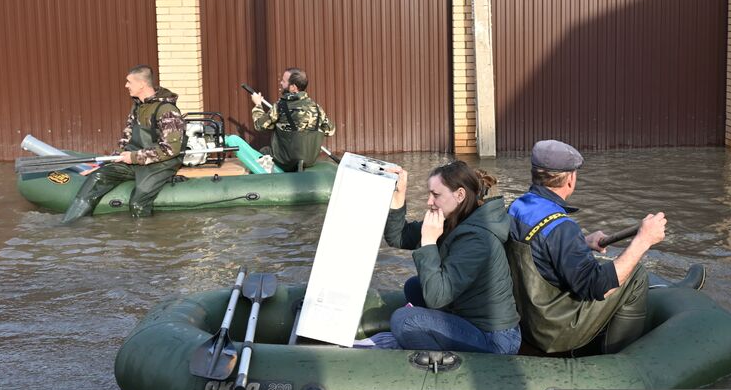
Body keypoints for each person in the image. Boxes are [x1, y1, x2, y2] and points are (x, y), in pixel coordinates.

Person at [507, 140, 666, 354]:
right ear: (571, 179)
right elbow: (598, 286)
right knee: (635, 275)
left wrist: (583, 243)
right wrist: (643, 241)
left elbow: (538, 249)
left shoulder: (517, 206)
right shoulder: (562, 228)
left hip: (526, 318)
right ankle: (620, 358)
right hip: (552, 329)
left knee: (603, 264)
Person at [370, 160, 521, 354]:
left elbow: (436, 298)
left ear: (459, 195)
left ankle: (445, 370)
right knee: (413, 286)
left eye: (435, 195)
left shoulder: (478, 238)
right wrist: (400, 193)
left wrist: (429, 242)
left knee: (404, 320)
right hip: (465, 314)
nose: (429, 202)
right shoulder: (453, 218)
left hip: (495, 339)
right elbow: (397, 237)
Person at [61, 66, 185, 222]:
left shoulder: (167, 110)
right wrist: (110, 160)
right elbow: (126, 138)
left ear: (141, 85)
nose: (126, 86)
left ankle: (145, 241)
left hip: (161, 163)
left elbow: (171, 149)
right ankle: (70, 225)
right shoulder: (138, 106)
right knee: (98, 177)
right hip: (134, 159)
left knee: (138, 202)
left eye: (129, 82)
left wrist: (133, 157)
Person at [250, 68, 336, 172]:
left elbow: (259, 125)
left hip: (286, 161)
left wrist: (258, 104)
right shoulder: (316, 108)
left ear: (293, 87)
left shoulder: (280, 106)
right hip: (309, 160)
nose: (281, 83)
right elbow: (330, 131)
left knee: (264, 152)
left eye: (284, 81)